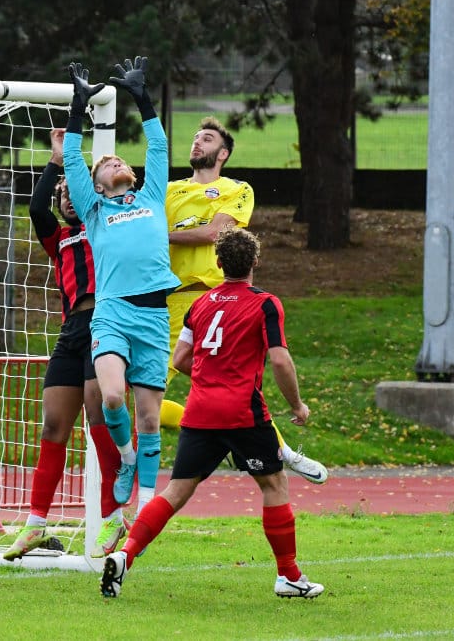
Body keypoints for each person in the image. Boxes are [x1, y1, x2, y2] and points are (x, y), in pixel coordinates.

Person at [100, 227, 324, 599]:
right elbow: (280, 361)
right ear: (255, 262)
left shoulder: (200, 305)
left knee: (175, 491)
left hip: (200, 411)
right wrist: (297, 405)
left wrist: (211, 376)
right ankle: (289, 575)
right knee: (274, 484)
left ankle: (126, 555)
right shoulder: (266, 303)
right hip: (242, 412)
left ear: (218, 263)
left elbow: (180, 359)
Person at [163, 116, 329, 485]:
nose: (197, 142)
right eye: (195, 137)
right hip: (170, 302)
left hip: (216, 300)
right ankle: (238, 439)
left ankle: (282, 451)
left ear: (223, 153)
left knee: (236, 392)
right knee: (140, 400)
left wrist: (164, 234)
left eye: (207, 138)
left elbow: (215, 233)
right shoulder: (169, 190)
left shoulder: (237, 189)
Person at [2, 129, 127, 561]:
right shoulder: (58, 240)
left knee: (99, 419)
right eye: (63, 195)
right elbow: (36, 208)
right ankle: (36, 523)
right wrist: (56, 158)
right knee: (53, 426)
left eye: (75, 191)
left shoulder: (105, 222)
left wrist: (81, 173)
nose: (68, 199)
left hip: (105, 325)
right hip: (71, 332)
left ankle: (113, 514)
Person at [63, 56, 179, 516]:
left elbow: (159, 146)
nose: (115, 160)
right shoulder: (94, 211)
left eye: (118, 158)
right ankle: (126, 460)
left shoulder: (151, 195)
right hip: (112, 312)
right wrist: (79, 107)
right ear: (96, 185)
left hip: (153, 316)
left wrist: (142, 97)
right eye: (107, 162)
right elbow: (72, 158)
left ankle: (146, 505)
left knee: (149, 418)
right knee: (112, 396)